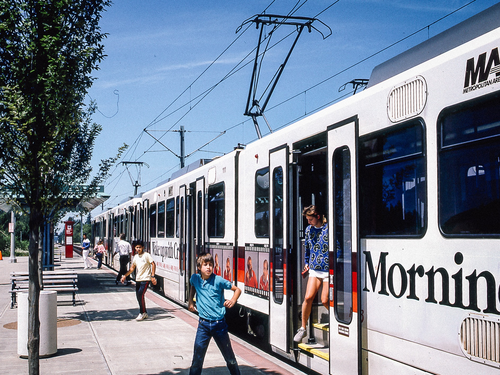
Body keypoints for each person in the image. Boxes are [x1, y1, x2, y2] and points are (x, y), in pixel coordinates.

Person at [188, 252, 241, 375]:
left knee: (230, 359)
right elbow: (192, 286)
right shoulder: (195, 278)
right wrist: (190, 301)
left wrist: (233, 300)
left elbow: (237, 289)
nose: (208, 267)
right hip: (203, 325)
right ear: (199, 267)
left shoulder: (218, 280)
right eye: (205, 265)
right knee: (197, 360)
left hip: (219, 325)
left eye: (211, 265)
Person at [294, 205, 329, 343]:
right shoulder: (309, 230)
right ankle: (303, 328)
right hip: (314, 268)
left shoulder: (328, 229)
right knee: (308, 297)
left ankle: (334, 319)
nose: (308, 222)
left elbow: (337, 246)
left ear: (318, 217)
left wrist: (334, 264)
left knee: (325, 299)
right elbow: (307, 249)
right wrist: (307, 263)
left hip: (327, 269)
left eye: (310, 219)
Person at [121, 240, 156, 321]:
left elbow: (153, 264)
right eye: (137, 247)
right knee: (138, 296)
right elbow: (132, 268)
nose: (138, 249)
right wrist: (125, 276)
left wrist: (152, 276)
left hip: (146, 279)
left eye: (140, 247)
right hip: (138, 279)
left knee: (140, 294)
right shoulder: (136, 257)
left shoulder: (146, 255)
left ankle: (142, 312)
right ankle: (144, 312)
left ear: (143, 247)